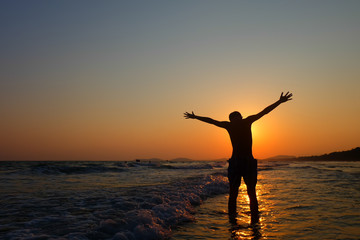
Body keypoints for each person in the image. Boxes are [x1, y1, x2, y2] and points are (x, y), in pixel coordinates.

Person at [184, 92, 293, 223]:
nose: (237, 120)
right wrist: (279, 101)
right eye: (236, 118)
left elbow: (212, 121)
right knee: (246, 193)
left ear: (236, 118)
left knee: (239, 193)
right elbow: (264, 112)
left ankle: (237, 220)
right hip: (244, 162)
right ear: (237, 118)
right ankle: (249, 219)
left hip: (240, 162)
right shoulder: (244, 122)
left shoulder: (233, 124)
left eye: (237, 118)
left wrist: (195, 117)